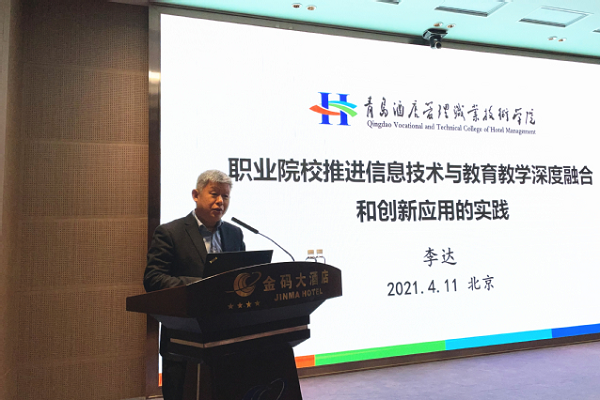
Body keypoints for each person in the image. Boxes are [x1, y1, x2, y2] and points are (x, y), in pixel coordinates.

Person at [144, 169, 246, 400]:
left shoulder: (234, 233)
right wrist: (200, 285)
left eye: (225, 196)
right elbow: (153, 278)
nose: (220, 201)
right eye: (214, 194)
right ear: (196, 195)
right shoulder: (170, 233)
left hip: (226, 338)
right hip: (183, 339)